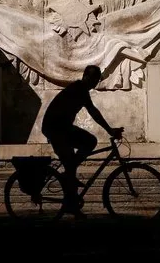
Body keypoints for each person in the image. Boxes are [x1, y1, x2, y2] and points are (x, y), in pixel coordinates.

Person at [41, 65, 124, 217]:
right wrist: (110, 130)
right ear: (85, 76)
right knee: (85, 147)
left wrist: (109, 129)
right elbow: (93, 112)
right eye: (92, 79)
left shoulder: (81, 89)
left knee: (85, 148)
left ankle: (71, 200)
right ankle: (68, 181)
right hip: (56, 129)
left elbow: (93, 111)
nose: (94, 82)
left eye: (96, 80)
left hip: (62, 128)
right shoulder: (78, 89)